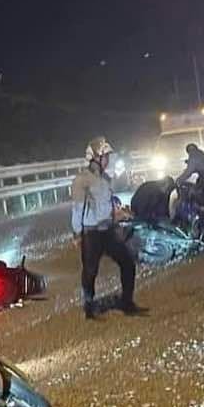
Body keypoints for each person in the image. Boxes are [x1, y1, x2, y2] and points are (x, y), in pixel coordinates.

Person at [71, 136, 142, 319]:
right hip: (91, 233)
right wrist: (77, 234)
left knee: (127, 262)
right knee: (90, 271)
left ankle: (127, 303)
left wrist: (119, 216)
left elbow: (109, 205)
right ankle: (89, 307)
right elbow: (77, 208)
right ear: (95, 158)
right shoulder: (82, 180)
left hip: (108, 231)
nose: (108, 160)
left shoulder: (106, 179)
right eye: (105, 157)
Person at [177, 143, 204, 214]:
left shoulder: (193, 156)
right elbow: (201, 165)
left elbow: (189, 171)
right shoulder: (202, 154)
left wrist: (179, 180)